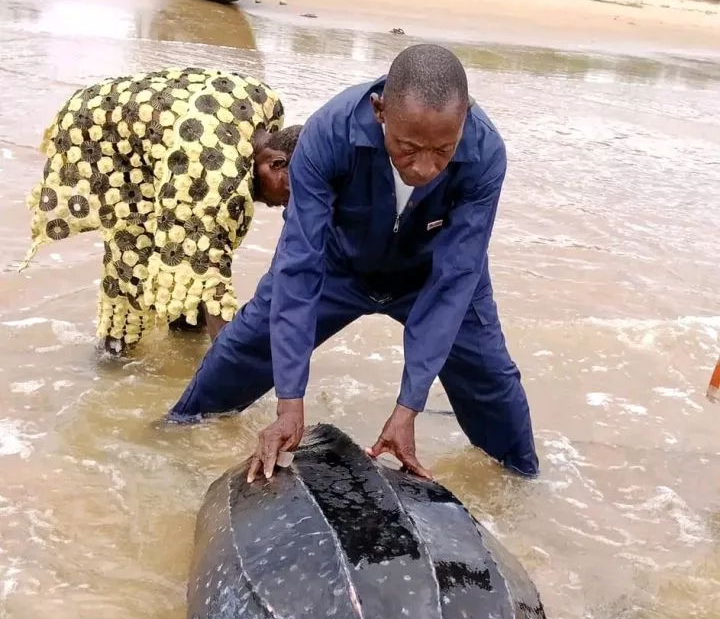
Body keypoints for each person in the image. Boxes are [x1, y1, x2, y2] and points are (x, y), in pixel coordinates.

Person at [169, 44, 539, 480]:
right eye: (408, 147)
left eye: (443, 150)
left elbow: (455, 278)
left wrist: (409, 406)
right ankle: (171, 440)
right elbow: (299, 263)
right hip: (335, 263)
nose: (423, 168)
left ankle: (523, 484)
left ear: (466, 117)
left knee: (493, 385)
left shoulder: (486, 152)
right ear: (380, 110)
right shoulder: (328, 134)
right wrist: (290, 405)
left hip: (431, 273)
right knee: (240, 354)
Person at [22, 67, 301, 353]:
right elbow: (209, 269)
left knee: (183, 239)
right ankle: (113, 355)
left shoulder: (268, 106)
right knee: (134, 247)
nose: (287, 205)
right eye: (291, 193)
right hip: (100, 132)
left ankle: (184, 328)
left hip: (147, 123)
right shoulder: (215, 175)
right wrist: (235, 364)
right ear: (275, 163)